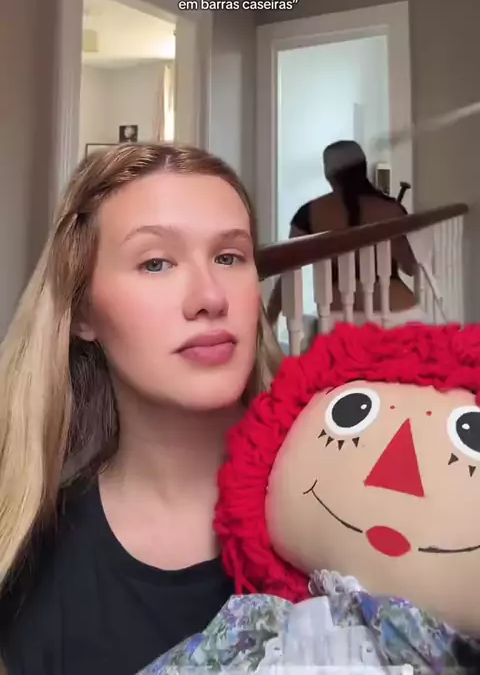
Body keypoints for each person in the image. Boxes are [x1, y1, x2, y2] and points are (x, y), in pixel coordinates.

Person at [0, 142, 282, 675]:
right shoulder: (29, 560)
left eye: (229, 257)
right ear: (82, 312)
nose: (209, 297)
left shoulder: (339, 501)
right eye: (156, 263)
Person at [267, 139, 420, 327]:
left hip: (340, 314)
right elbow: (410, 268)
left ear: (328, 173)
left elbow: (288, 275)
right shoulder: (391, 209)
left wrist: (270, 317)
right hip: (395, 309)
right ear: (363, 168)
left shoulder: (310, 213)